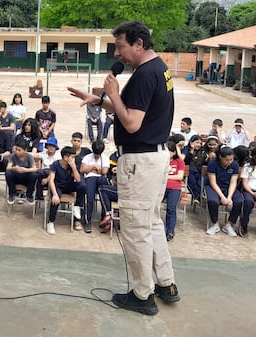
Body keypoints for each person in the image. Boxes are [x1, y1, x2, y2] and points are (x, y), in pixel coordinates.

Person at [68, 20, 178, 315]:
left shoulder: (143, 76)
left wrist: (113, 92)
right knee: (152, 222)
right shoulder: (158, 69)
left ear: (139, 44)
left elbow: (131, 122)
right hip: (154, 157)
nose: (117, 54)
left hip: (140, 161)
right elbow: (130, 109)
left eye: (121, 46)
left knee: (136, 229)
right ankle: (166, 283)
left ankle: (143, 295)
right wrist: (99, 100)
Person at [45, 146, 86, 234]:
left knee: (82, 185)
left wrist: (74, 167)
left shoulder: (72, 165)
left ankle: (77, 206)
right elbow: (51, 181)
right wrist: (55, 194)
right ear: (65, 157)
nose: (74, 159)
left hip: (68, 186)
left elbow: (78, 180)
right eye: (72, 157)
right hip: (58, 186)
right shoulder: (55, 164)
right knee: (56, 200)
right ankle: (51, 222)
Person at [204, 146, 240, 235]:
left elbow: (233, 182)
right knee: (213, 201)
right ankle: (215, 224)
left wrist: (229, 197)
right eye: (227, 160)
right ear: (220, 157)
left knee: (239, 201)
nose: (229, 162)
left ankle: (229, 224)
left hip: (228, 187)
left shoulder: (234, 165)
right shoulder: (212, 164)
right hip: (214, 187)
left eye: (231, 159)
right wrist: (223, 197)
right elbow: (213, 182)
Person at [78, 140, 110, 233]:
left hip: (101, 179)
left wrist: (90, 168)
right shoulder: (87, 157)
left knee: (105, 193)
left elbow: (104, 172)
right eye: (95, 153)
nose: (97, 155)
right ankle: (87, 221)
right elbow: (82, 169)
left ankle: (105, 219)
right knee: (89, 197)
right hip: (90, 178)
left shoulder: (105, 158)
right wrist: (94, 166)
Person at [4, 139, 39, 205]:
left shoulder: (29, 156)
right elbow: (8, 168)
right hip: (16, 177)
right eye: (16, 150)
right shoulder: (13, 156)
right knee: (8, 173)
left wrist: (25, 170)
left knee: (34, 175)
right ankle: (12, 194)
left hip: (26, 177)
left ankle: (29, 195)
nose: (17, 152)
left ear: (25, 150)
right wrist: (14, 168)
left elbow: (34, 169)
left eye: (19, 150)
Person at [164, 141, 185, 242]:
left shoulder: (179, 162)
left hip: (174, 188)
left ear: (173, 152)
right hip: (161, 187)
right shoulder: (161, 161)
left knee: (171, 209)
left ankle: (170, 231)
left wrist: (166, 176)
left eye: (168, 152)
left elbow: (180, 176)